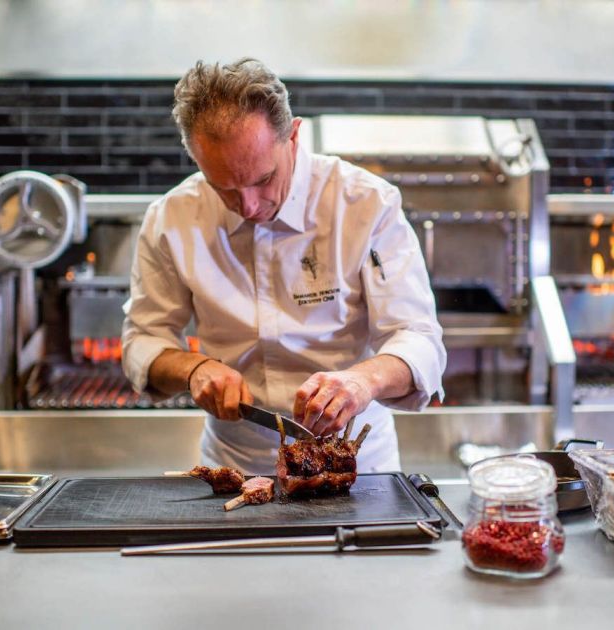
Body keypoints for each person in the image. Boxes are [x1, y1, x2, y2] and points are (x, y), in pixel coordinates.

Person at [122, 58, 445, 474]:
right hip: (234, 465)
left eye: (262, 179)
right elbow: (143, 340)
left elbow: (418, 339)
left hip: (357, 465)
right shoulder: (172, 217)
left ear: (292, 137)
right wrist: (193, 368)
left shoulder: (366, 204)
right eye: (224, 188)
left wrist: (362, 382)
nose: (250, 206)